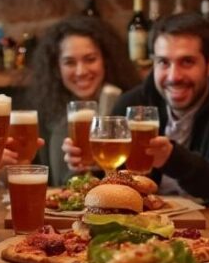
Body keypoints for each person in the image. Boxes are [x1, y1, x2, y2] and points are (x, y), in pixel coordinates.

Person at [64, 13, 209, 204]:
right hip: (145, 217)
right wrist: (90, 167)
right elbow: (111, 183)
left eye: (187, 62)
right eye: (163, 62)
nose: (174, 76)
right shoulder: (131, 104)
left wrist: (173, 159)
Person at [28, 16, 140, 182]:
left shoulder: (129, 106)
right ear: (57, 68)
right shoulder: (46, 113)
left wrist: (102, 162)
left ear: (106, 61)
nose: (81, 71)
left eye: (90, 59)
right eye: (69, 62)